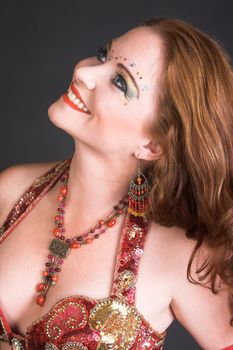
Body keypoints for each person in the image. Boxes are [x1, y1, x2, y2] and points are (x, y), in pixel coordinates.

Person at [0, 16, 232, 350]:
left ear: (153, 145)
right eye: (103, 54)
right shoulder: (11, 191)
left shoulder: (184, 257)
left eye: (121, 82)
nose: (84, 71)